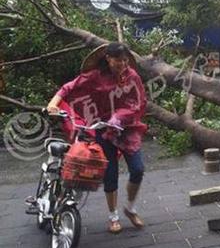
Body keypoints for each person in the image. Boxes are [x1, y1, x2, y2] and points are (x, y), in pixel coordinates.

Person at [47, 42, 147, 234]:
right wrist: (54, 103)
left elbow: (140, 101)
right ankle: (113, 216)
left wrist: (120, 117)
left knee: (138, 169)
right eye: (119, 60)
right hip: (104, 130)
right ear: (108, 59)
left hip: (128, 128)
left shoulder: (132, 76)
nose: (123, 64)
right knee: (110, 174)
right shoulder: (95, 77)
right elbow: (69, 87)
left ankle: (131, 208)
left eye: (126, 60)